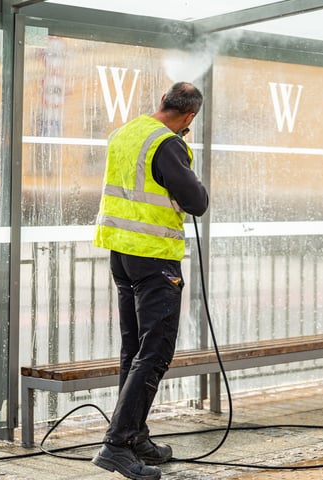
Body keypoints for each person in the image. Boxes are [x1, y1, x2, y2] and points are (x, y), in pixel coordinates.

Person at [91, 82, 208, 480]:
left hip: (121, 255)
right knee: (155, 352)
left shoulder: (125, 132)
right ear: (189, 117)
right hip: (155, 258)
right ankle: (116, 445)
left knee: (134, 348)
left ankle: (135, 436)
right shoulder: (169, 144)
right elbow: (197, 202)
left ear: (162, 101)